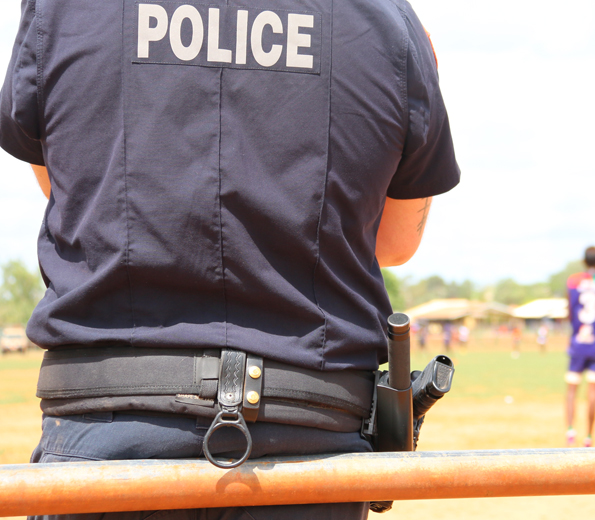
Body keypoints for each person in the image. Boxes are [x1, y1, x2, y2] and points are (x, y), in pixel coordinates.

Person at [0, 1, 459, 519]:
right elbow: (395, 241)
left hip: (108, 429)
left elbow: (67, 193)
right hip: (308, 436)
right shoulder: (385, 20)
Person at [565, 246, 595, 447]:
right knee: (593, 391)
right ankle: (589, 437)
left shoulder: (573, 281)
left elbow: (569, 312)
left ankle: (570, 431)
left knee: (571, 390)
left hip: (578, 342)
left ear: (584, 261)